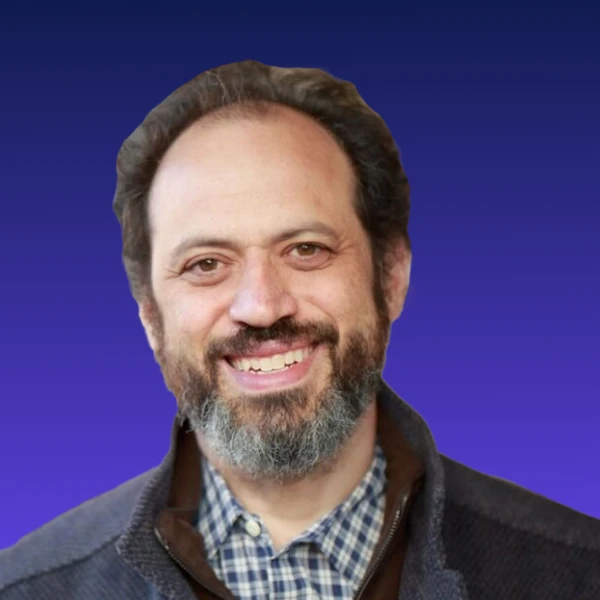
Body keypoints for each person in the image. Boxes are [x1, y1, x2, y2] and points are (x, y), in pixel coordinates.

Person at [1, 60, 598, 600]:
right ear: (151, 318)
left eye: (306, 249)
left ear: (391, 276)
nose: (262, 307)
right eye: (206, 264)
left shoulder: (579, 573)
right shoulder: (28, 588)